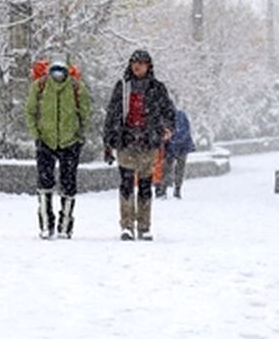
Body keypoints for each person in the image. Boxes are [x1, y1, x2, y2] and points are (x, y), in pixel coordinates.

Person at [102, 48, 175, 241]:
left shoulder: (157, 88)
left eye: (141, 63)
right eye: (135, 62)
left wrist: (167, 128)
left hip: (148, 143)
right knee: (126, 184)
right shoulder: (123, 87)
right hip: (126, 142)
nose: (137, 66)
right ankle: (126, 225)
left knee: (145, 185)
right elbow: (112, 114)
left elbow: (168, 111)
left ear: (148, 66)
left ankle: (144, 225)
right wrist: (108, 141)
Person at [25, 59, 92, 239]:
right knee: (44, 183)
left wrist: (79, 137)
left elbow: (85, 114)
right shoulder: (39, 87)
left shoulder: (77, 89)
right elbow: (30, 112)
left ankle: (65, 226)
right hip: (45, 141)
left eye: (61, 72)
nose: (57, 75)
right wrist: (37, 135)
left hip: (70, 142)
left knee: (68, 184)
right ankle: (46, 224)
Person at [153, 104, 196, 198]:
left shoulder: (165, 117)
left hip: (171, 147)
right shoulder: (182, 115)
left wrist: (169, 140)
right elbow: (187, 130)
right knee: (180, 169)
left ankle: (163, 190)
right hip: (183, 146)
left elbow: (164, 133)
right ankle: (177, 190)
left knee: (166, 168)